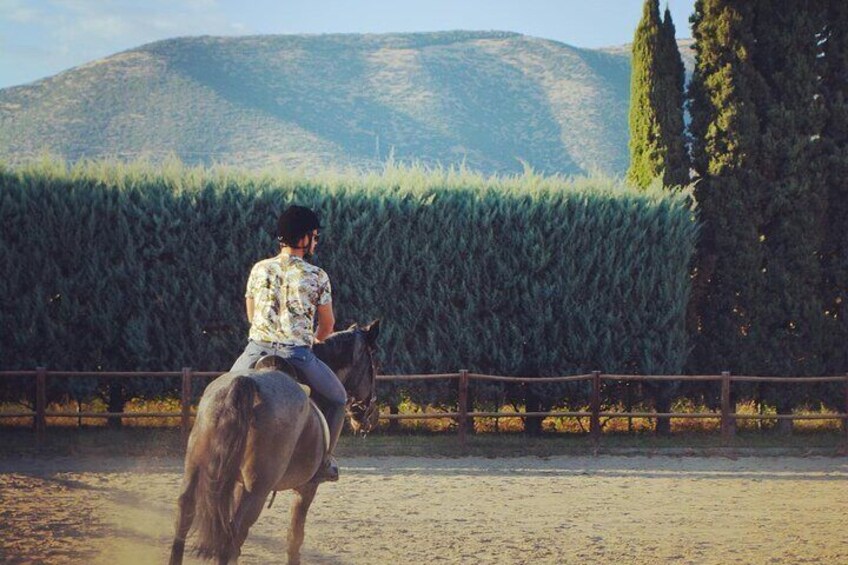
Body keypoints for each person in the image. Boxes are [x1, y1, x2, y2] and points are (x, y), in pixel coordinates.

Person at [231, 204, 345, 483]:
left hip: (255, 348)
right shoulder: (317, 276)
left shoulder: (259, 269)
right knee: (338, 399)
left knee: (222, 395)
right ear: (304, 238)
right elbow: (328, 326)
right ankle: (323, 461)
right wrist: (314, 340)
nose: (315, 242)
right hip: (296, 354)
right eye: (314, 236)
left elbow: (251, 314)